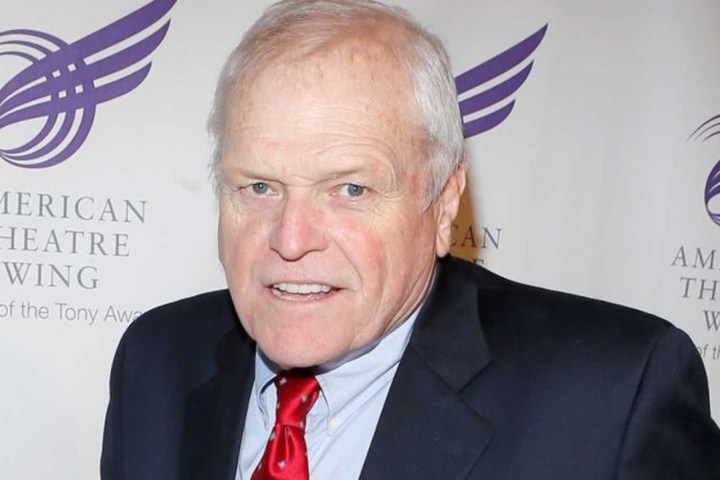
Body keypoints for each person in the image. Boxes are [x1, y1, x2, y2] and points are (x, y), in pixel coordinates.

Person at [100, 0, 720, 478]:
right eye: (259, 187)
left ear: (444, 201)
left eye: (350, 189)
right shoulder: (157, 361)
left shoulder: (612, 397)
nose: (290, 239)